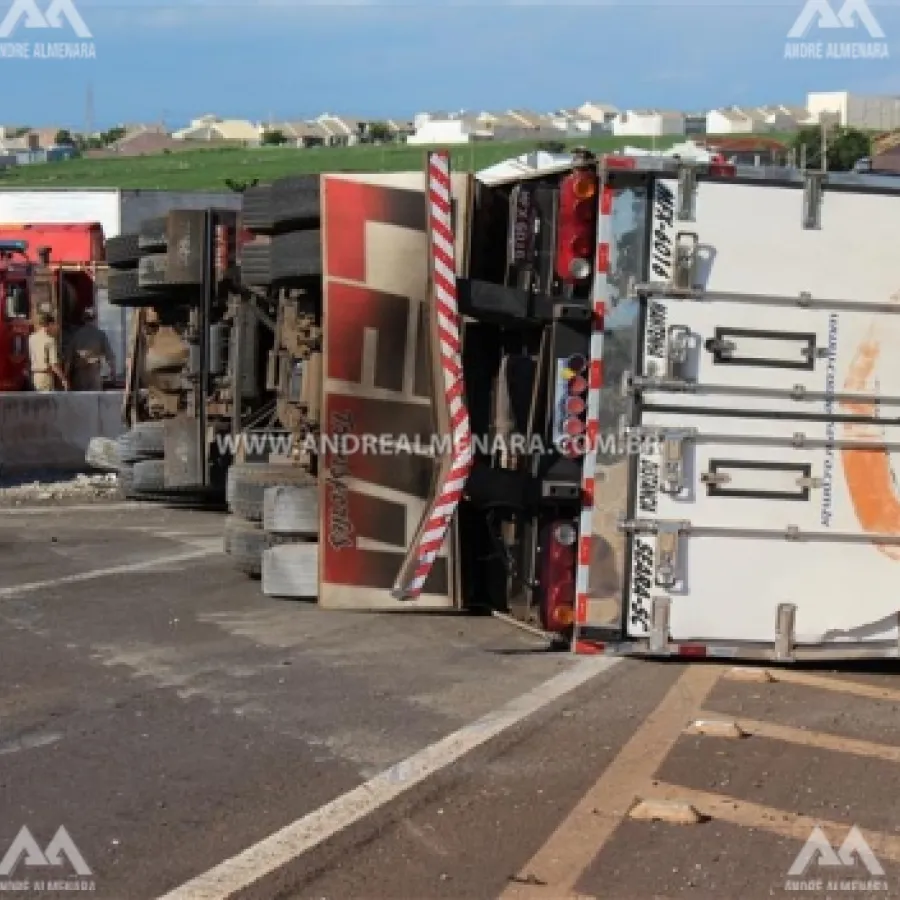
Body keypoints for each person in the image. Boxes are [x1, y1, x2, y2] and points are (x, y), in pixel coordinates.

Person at [66, 308, 116, 392]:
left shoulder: (75, 335)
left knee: (81, 400)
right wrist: (113, 372)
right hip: (94, 374)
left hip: (80, 375)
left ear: (83, 319)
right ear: (95, 319)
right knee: (95, 399)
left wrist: (65, 377)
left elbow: (68, 359)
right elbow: (109, 356)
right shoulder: (100, 334)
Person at [29, 313, 68, 391]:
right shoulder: (50, 340)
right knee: (46, 401)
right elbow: (53, 364)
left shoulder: (32, 338)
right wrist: (63, 379)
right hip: (46, 377)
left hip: (35, 376)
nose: (55, 327)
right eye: (54, 324)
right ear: (49, 324)